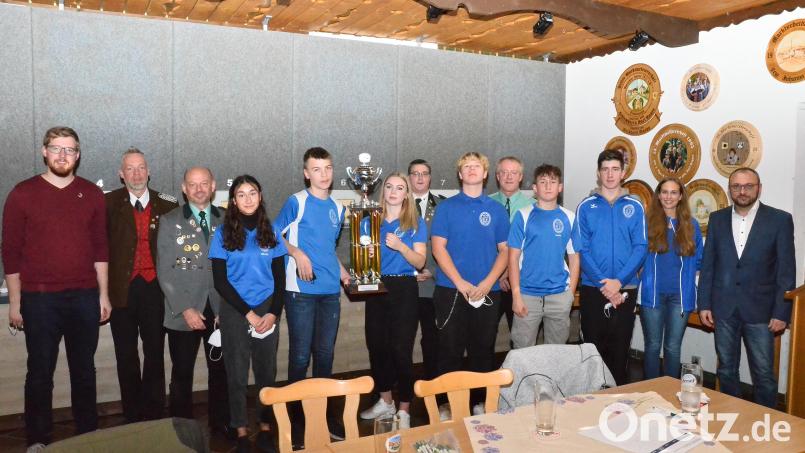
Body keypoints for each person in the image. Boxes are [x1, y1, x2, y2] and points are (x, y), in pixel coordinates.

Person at [2, 126, 110, 449]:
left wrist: (103, 294)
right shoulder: (22, 194)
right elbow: (10, 252)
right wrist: (15, 302)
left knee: (84, 371)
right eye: (56, 148)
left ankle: (88, 437)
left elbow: (101, 248)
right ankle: (37, 441)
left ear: (78, 155)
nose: (63, 155)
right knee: (39, 374)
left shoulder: (91, 194)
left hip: (84, 297)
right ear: (44, 152)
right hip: (38, 300)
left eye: (70, 149)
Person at [698, 168, 795, 408]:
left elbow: (786, 270)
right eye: (736, 187)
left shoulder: (780, 220)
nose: (742, 191)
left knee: (764, 375)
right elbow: (708, 265)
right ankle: (734, 419)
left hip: (761, 313)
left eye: (748, 186)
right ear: (730, 189)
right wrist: (704, 304)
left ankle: (764, 425)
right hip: (724, 309)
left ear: (759, 188)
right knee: (727, 370)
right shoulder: (717, 219)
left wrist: (782, 312)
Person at [274, 147, 349, 446]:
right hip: (301, 292)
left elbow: (329, 251)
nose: (324, 174)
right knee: (300, 356)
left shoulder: (338, 208)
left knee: (326, 357)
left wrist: (344, 275)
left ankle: (323, 417)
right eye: (317, 169)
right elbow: (274, 235)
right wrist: (296, 252)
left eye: (328, 168)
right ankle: (295, 422)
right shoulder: (297, 202)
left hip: (330, 292)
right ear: (306, 173)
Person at [209, 175, 287, 453]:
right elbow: (220, 281)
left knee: (267, 371)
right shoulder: (222, 233)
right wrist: (249, 315)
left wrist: (274, 314)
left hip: (267, 308)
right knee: (237, 373)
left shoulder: (273, 230)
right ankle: (241, 429)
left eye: (252, 192)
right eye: (241, 194)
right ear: (233, 200)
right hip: (234, 310)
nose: (248, 199)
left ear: (260, 195)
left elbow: (280, 279)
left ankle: (265, 427)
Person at [157, 167, 233, 439]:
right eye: (193, 184)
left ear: (213, 186)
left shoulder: (227, 219)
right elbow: (165, 270)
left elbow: (233, 267)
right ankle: (182, 430)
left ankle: (221, 424)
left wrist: (227, 308)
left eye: (204, 184)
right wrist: (185, 308)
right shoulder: (170, 220)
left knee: (220, 370)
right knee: (181, 374)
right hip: (183, 310)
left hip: (218, 308)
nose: (199, 189)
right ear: (184, 188)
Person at [431, 152, 509, 417]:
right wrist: (460, 282)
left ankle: (479, 402)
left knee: (483, 349)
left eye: (477, 166)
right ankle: (447, 404)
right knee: (449, 349)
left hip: (488, 291)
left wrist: (488, 283)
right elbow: (438, 248)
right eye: (466, 167)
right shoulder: (446, 208)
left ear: (485, 173)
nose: (472, 170)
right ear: (460, 174)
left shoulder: (497, 210)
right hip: (451, 291)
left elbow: (505, 251)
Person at [105, 148, 177, 423]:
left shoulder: (168, 203)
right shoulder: (108, 203)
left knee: (155, 352)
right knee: (126, 355)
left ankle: (155, 413)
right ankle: (132, 415)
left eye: (141, 167)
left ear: (149, 171)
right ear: (121, 174)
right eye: (130, 169)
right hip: (121, 290)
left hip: (156, 290)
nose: (136, 173)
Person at [572, 149, 647, 385]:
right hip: (594, 288)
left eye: (615, 169)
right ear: (598, 173)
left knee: (620, 349)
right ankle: (589, 403)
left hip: (625, 289)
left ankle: (616, 406)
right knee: (593, 350)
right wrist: (604, 284)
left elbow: (641, 247)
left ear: (623, 173)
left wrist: (618, 282)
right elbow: (580, 249)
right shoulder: (585, 206)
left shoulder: (635, 206)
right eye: (605, 169)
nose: (610, 174)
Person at [358, 173, 427, 429]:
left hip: (404, 287)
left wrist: (401, 246)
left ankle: (405, 409)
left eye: (400, 188)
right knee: (376, 347)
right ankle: (385, 402)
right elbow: (362, 256)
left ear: (406, 193)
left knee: (401, 349)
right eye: (389, 187)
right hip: (376, 287)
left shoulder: (415, 222)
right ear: (383, 191)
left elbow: (420, 262)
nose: (394, 191)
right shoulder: (369, 220)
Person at [638, 177, 703, 379]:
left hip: (680, 298)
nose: (668, 196)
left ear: (681, 196)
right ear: (658, 195)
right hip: (652, 295)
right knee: (652, 345)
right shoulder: (646, 223)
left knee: (673, 347)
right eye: (664, 192)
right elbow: (637, 256)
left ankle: (669, 393)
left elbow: (699, 260)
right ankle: (649, 390)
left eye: (673, 192)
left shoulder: (691, 225)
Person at [508, 164, 579, 348]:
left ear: (560, 187)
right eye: (543, 182)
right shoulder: (522, 216)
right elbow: (513, 258)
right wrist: (516, 295)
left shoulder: (570, 217)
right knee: (522, 354)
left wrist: (570, 294)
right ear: (534, 188)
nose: (548, 186)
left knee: (556, 355)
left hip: (559, 296)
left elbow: (574, 258)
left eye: (553, 182)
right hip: (527, 296)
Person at [489, 156, 534, 340]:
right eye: (504, 172)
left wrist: (508, 273)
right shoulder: (486, 203)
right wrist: (499, 274)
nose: (509, 177)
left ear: (521, 177)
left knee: (520, 338)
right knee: (486, 336)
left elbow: (531, 246)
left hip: (521, 282)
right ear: (497, 176)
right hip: (490, 281)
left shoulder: (533, 207)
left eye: (513, 173)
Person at [408, 159, 445, 381]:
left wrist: (433, 270)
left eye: (424, 174)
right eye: (415, 174)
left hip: (433, 285)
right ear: (409, 177)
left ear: (430, 177)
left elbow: (453, 246)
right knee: (401, 339)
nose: (420, 178)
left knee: (433, 339)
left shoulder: (443, 206)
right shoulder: (396, 204)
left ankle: (434, 389)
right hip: (405, 285)